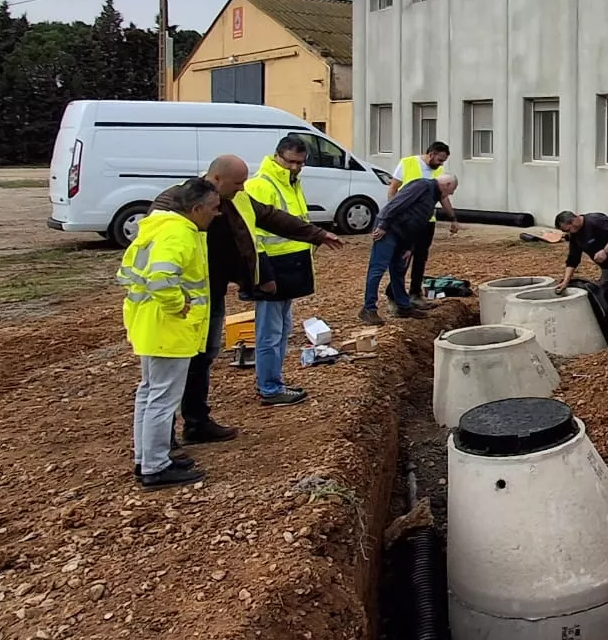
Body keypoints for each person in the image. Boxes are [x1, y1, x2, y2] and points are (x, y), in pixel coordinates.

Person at [179, 153, 337, 443]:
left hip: (212, 290)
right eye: (238, 183)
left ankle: (196, 422)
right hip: (188, 298)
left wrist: (316, 234)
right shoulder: (179, 201)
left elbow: (270, 218)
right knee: (183, 365)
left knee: (205, 357)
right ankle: (164, 443)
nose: (243, 188)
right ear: (217, 179)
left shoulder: (236, 198)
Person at [119, 178, 221, 490]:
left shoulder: (159, 227)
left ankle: (147, 457)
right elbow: (161, 278)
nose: (217, 214)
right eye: (214, 208)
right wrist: (178, 305)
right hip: (169, 328)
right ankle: (156, 467)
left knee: (149, 393)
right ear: (196, 208)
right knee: (162, 399)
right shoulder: (178, 234)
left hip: (150, 324)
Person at [243, 134, 342, 406]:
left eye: (300, 163)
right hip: (273, 269)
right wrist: (264, 274)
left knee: (282, 330)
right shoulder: (261, 185)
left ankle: (274, 382)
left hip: (290, 266)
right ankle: (269, 388)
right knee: (270, 333)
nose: (296, 167)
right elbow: (252, 237)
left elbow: (297, 223)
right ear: (277, 156)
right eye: (290, 162)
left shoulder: (291, 183)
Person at [362, 173, 458, 323]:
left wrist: (409, 247)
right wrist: (383, 225)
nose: (450, 194)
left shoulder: (432, 195)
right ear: (447, 185)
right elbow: (397, 203)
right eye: (451, 190)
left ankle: (403, 306)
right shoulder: (422, 186)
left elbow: (417, 224)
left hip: (404, 235)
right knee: (378, 268)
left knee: (399, 269)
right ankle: (369, 309)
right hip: (389, 230)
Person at [388, 140, 460, 303]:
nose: (441, 164)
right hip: (407, 221)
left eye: (443, 161)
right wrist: (393, 213)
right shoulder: (407, 163)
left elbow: (443, 197)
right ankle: (394, 294)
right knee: (403, 256)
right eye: (440, 160)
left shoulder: (439, 171)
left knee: (421, 257)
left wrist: (453, 218)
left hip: (427, 221)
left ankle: (415, 293)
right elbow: (393, 188)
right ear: (431, 154)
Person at [553, 209, 608, 332]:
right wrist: (566, 281)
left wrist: (605, 251)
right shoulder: (575, 235)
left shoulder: (595, 220)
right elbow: (573, 259)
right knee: (604, 292)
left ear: (573, 221)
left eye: (567, 230)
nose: (567, 233)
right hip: (607, 266)